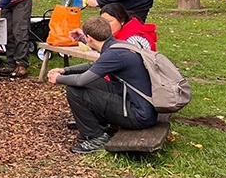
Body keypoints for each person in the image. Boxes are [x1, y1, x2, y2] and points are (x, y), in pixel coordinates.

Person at [48, 17, 157, 154]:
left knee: (75, 90)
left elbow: (80, 80)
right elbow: (93, 66)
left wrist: (58, 78)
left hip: (139, 115)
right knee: (93, 82)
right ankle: (95, 124)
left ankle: (96, 137)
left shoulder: (114, 54)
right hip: (139, 104)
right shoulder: (117, 45)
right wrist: (65, 70)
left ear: (90, 38)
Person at [70, 2, 158, 52]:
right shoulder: (118, 34)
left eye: (109, 22)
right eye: (103, 22)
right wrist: (83, 37)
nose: (105, 25)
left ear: (122, 21)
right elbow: (102, 45)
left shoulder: (133, 39)